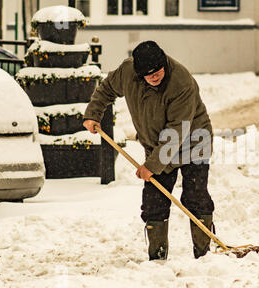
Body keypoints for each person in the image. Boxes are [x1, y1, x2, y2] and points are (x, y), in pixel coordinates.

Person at [83, 41, 215, 260]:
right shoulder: (127, 72)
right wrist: (93, 113)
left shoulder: (181, 82)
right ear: (138, 73)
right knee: (154, 202)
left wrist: (151, 166)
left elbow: (176, 132)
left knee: (195, 196)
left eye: (158, 71)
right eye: (148, 74)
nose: (155, 77)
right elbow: (106, 89)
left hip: (193, 142)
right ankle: (157, 255)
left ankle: (203, 254)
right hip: (157, 145)